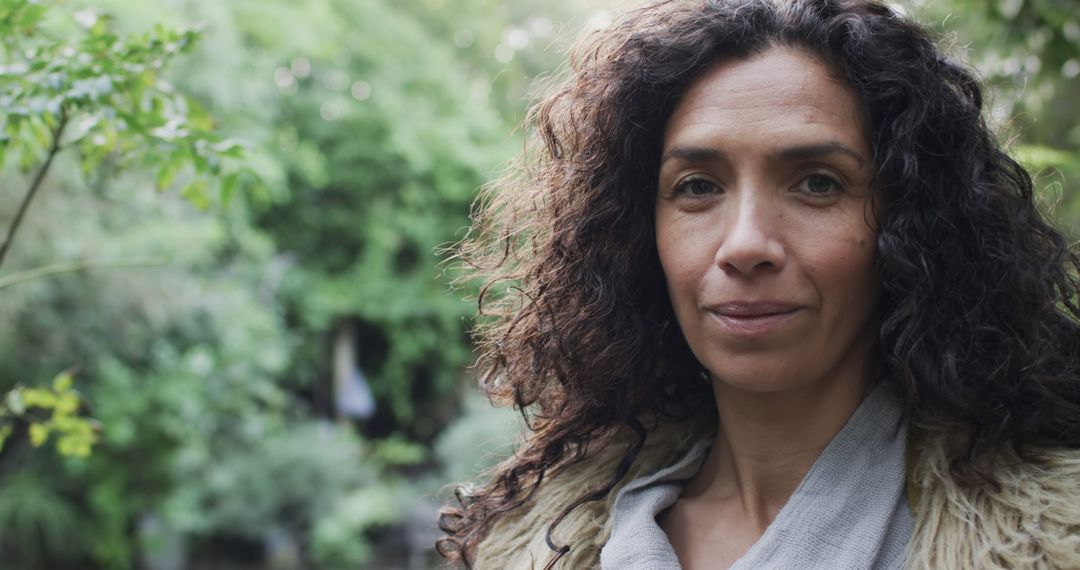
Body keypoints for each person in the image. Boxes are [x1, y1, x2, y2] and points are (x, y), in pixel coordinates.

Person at [438, 0, 1080, 568]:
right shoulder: (529, 549)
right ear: (640, 234)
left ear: (911, 224)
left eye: (818, 182)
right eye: (698, 187)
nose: (745, 243)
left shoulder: (1049, 540)